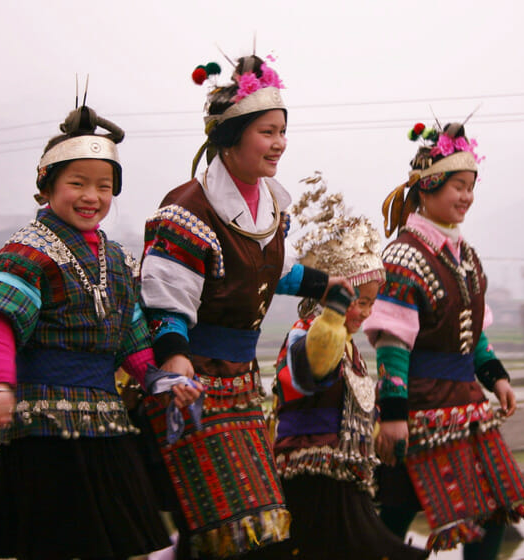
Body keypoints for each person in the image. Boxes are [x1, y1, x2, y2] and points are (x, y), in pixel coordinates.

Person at [0, 99, 193, 559]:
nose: (92, 196)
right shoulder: (27, 251)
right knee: (50, 545)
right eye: (77, 183)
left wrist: (158, 379)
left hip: (107, 423)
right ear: (47, 187)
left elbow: (133, 337)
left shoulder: (120, 260)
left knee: (119, 546)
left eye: (104, 186)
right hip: (44, 427)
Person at [138, 54, 351, 559]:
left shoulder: (271, 205)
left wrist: (324, 284)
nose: (279, 144)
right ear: (231, 135)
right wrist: (174, 357)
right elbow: (166, 296)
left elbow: (266, 271)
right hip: (192, 384)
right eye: (267, 132)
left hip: (239, 382)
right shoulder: (189, 210)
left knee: (238, 529)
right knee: (238, 528)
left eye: (282, 131)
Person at [364, 121, 524, 558]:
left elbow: (472, 334)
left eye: (471, 186)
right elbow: (392, 344)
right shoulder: (403, 255)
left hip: (466, 403)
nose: (467, 196)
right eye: (458, 186)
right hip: (423, 406)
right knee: (396, 513)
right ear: (428, 187)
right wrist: (394, 414)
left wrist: (497, 377)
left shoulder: (465, 255)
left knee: (489, 513)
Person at [271, 176, 428, 560]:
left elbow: (355, 405)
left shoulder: (350, 348)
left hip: (347, 478)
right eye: (358, 300)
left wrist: (379, 436)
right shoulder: (306, 334)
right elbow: (314, 370)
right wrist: (333, 313)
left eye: (371, 303)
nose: (364, 312)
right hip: (314, 478)